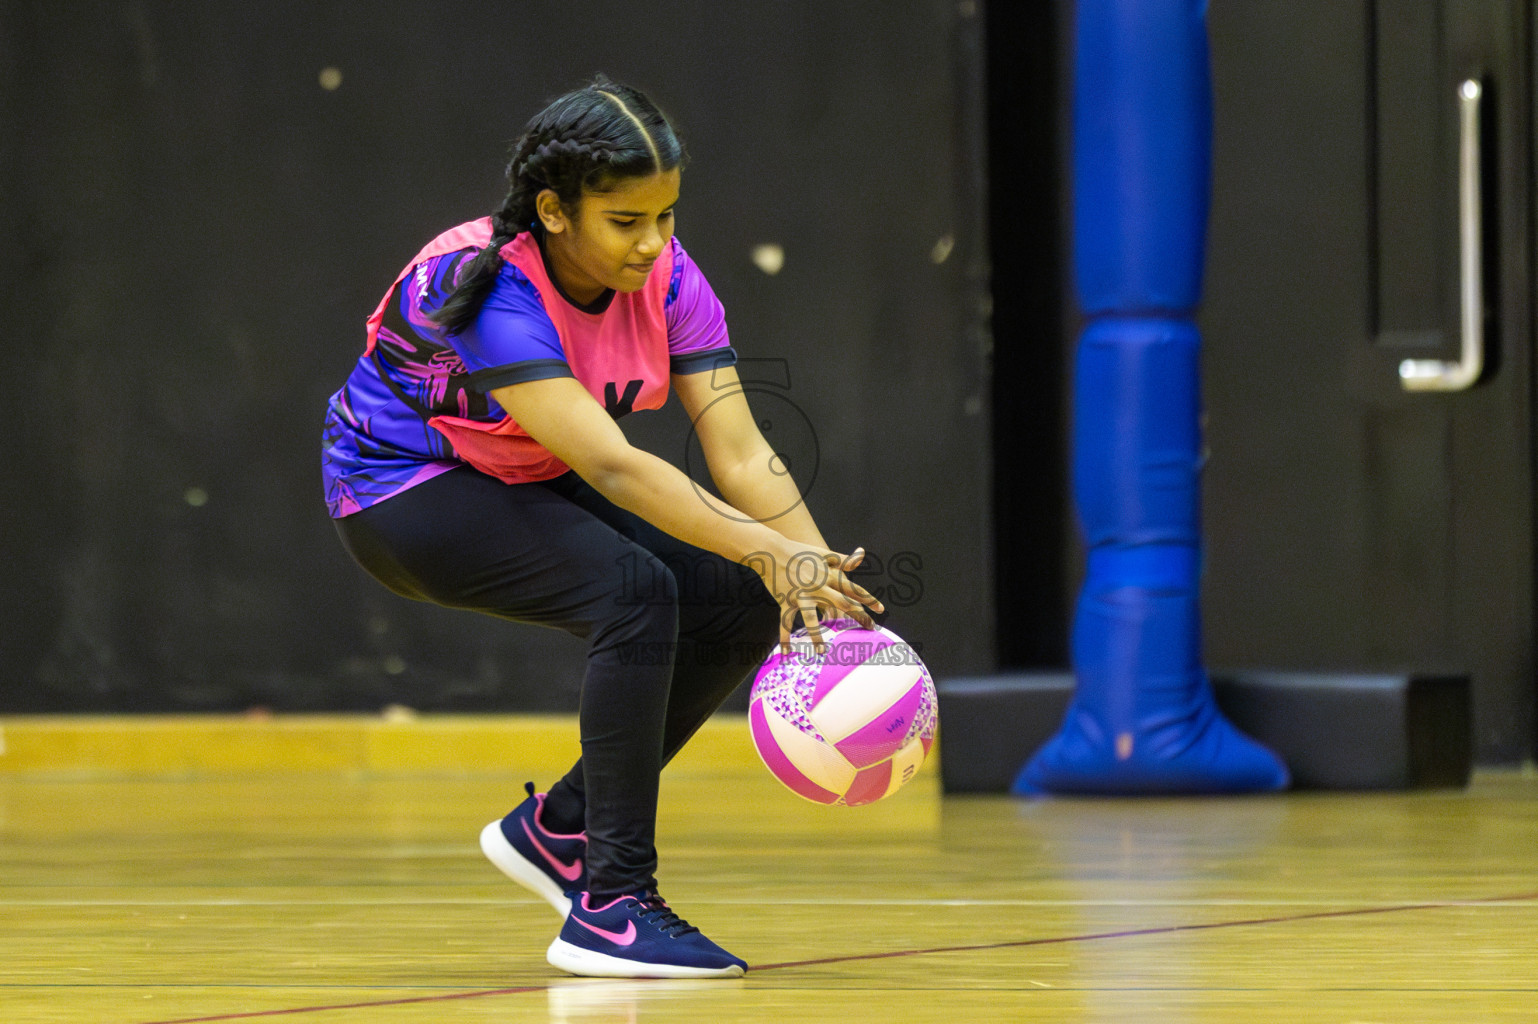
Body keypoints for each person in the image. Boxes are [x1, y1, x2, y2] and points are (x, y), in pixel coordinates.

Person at [321, 76, 883, 979]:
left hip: (518, 475)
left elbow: (738, 449)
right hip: (399, 493)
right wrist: (775, 551)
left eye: (666, 214)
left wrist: (810, 575)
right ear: (553, 210)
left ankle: (561, 829)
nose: (654, 242)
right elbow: (614, 465)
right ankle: (612, 907)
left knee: (737, 593)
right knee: (635, 590)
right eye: (626, 221)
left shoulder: (670, 277)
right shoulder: (488, 287)